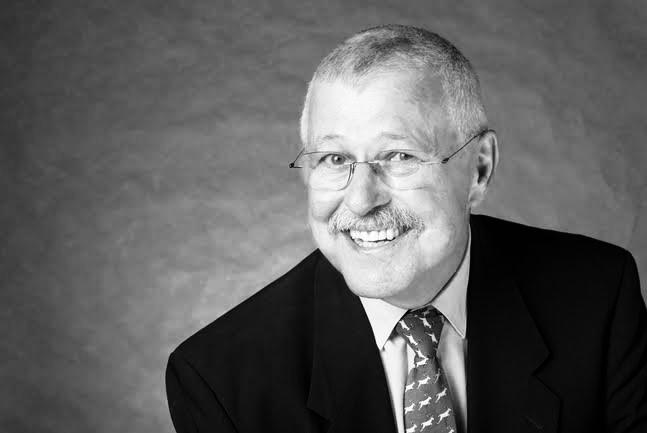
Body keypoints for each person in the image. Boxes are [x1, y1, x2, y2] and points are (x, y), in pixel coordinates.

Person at [165, 25, 647, 433]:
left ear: (479, 169)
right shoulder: (220, 380)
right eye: (334, 159)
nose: (361, 199)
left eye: (399, 156)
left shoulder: (598, 297)